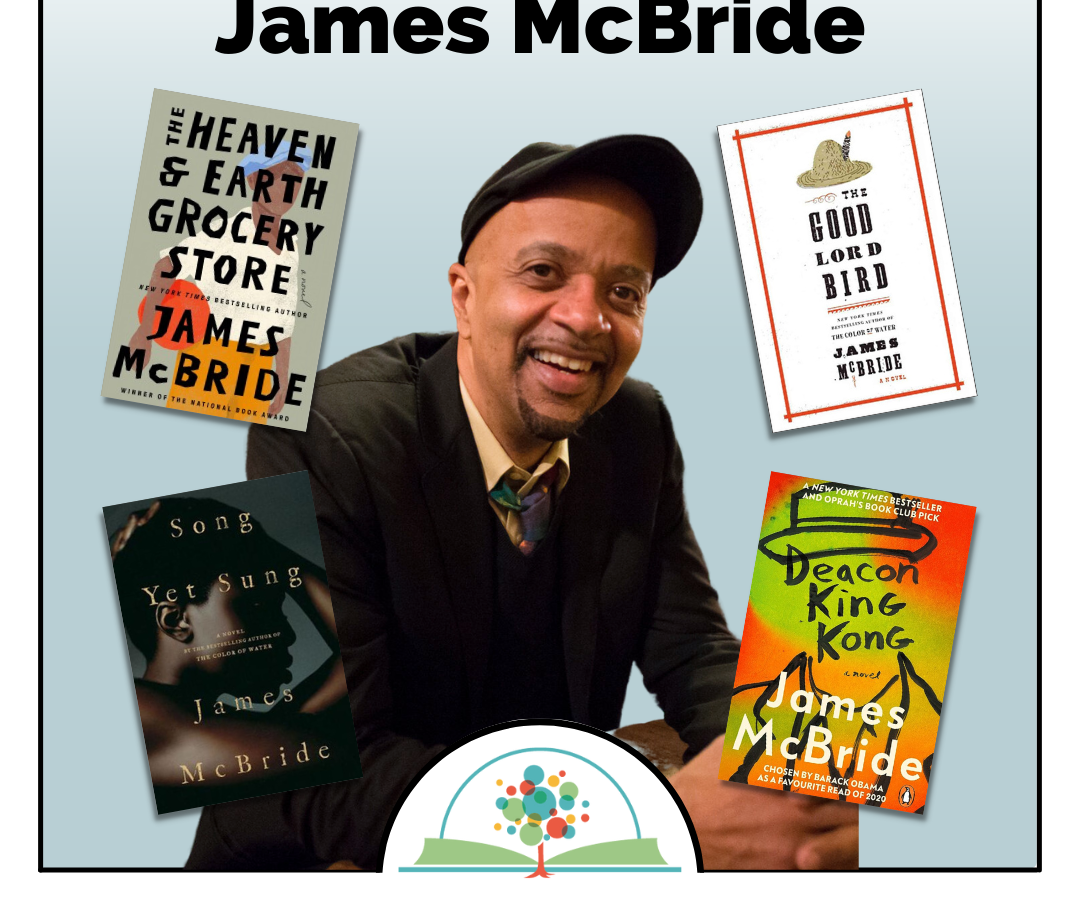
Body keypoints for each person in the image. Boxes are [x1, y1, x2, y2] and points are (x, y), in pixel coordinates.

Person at [187, 135, 858, 868]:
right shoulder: (311, 430)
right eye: (543, 272)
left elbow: (693, 647)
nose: (587, 317)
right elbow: (301, 775)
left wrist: (796, 769)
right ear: (464, 297)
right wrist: (646, 826)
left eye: (624, 292)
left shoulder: (639, 426)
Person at [110, 495, 358, 812]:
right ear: (176, 620)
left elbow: (364, 647)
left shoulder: (233, 731)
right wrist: (261, 547)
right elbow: (333, 750)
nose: (287, 632)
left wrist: (260, 546)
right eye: (256, 607)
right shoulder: (138, 713)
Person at [127, 146, 307, 421]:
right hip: (210, 355)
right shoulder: (224, 231)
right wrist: (146, 330)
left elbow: (283, 315)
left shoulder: (291, 244)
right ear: (253, 179)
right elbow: (166, 266)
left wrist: (282, 375)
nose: (288, 186)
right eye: (280, 174)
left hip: (258, 365)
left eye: (296, 178)